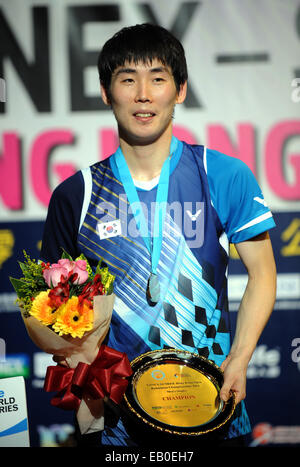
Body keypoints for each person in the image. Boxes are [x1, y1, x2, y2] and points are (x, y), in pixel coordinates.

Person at [41, 23, 277, 447]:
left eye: (158, 78)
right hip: (118, 426)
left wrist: (239, 359)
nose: (143, 94)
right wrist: (77, 354)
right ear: (106, 92)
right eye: (128, 79)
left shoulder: (223, 174)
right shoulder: (76, 194)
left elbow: (262, 273)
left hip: (214, 409)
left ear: (180, 90)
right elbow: (46, 308)